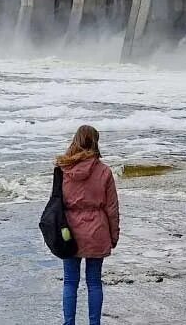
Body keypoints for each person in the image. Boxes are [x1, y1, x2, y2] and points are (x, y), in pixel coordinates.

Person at [56, 125, 120, 325]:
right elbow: (112, 208)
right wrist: (114, 234)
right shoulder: (104, 171)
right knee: (94, 282)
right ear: (95, 143)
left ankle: (69, 323)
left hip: (70, 232)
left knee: (70, 282)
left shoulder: (62, 169)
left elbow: (55, 203)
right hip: (97, 231)